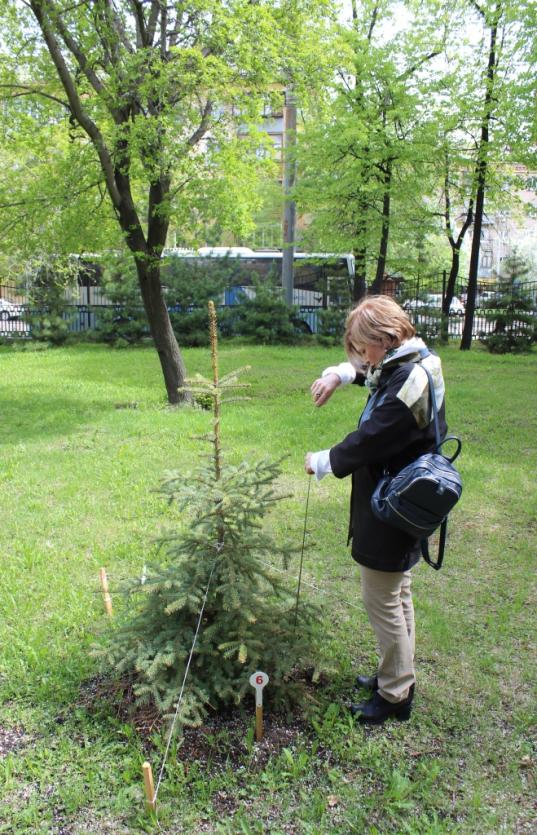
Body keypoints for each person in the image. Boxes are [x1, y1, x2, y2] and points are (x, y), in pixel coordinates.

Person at [305, 296, 447, 724]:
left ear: (384, 340)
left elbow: (371, 440)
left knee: (382, 598)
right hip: (402, 501)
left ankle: (395, 695)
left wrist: (324, 460)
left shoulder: (409, 382)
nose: (362, 357)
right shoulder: (415, 360)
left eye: (363, 347)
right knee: (397, 590)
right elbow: (373, 373)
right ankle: (398, 675)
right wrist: (339, 373)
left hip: (392, 506)